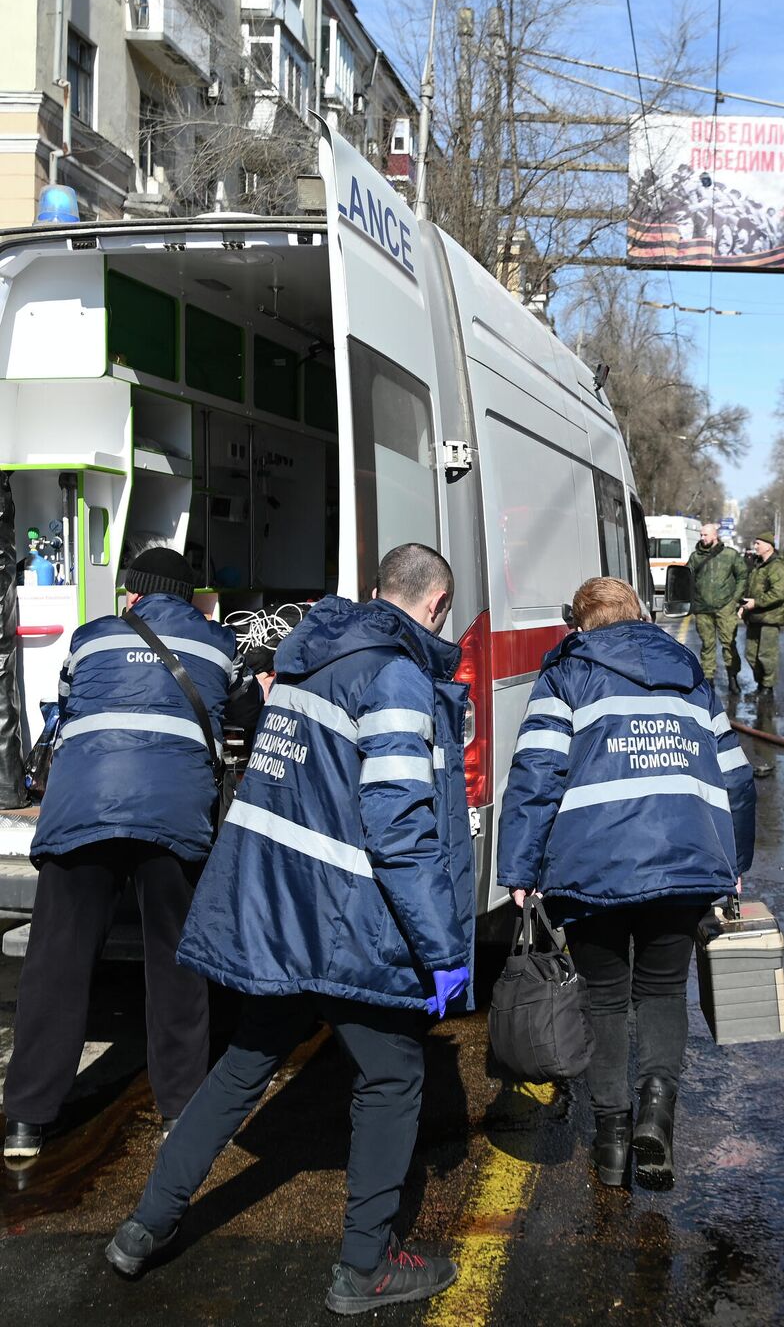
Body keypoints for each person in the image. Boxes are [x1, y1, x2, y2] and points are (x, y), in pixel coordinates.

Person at [105, 544, 475, 1317]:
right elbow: (398, 824)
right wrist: (443, 949)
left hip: (283, 914)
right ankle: (365, 1268)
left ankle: (144, 1227)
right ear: (437, 605)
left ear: (377, 590)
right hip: (347, 923)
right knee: (393, 1078)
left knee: (241, 1068)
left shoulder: (310, 660)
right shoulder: (398, 676)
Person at [2, 547, 261, 1161]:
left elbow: (69, 705)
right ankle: (180, 1111)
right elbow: (249, 713)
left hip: (81, 811)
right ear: (187, 594)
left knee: (57, 962)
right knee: (174, 962)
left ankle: (25, 1122)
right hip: (172, 816)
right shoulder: (219, 644)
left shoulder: (90, 638)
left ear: (135, 594)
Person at [497, 576, 755, 1190]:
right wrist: (733, 862)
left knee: (605, 1000)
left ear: (580, 624)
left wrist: (519, 870)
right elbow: (737, 777)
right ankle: (657, 1119)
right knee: (663, 992)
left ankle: (612, 1143)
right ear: (639, 616)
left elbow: (536, 773)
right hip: (685, 864)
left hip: (591, 871)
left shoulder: (565, 674)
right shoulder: (690, 673)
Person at [686, 523, 748, 690]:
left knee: (729, 643)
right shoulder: (695, 557)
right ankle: (709, 679)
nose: (702, 538)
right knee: (707, 645)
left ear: (715, 535)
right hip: (702, 609)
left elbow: (743, 576)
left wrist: (735, 599)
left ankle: (733, 678)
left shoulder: (730, 555)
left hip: (725, 607)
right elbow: (686, 579)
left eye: (705, 535)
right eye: (701, 535)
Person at [741, 533, 784, 699]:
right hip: (755, 618)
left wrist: (754, 603)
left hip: (769, 619)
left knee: (766, 656)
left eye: (758, 543)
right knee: (750, 654)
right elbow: (750, 589)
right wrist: (744, 607)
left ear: (769, 545)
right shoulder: (759, 565)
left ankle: (767, 688)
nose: (755, 546)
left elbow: (778, 594)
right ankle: (760, 684)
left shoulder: (778, 567)